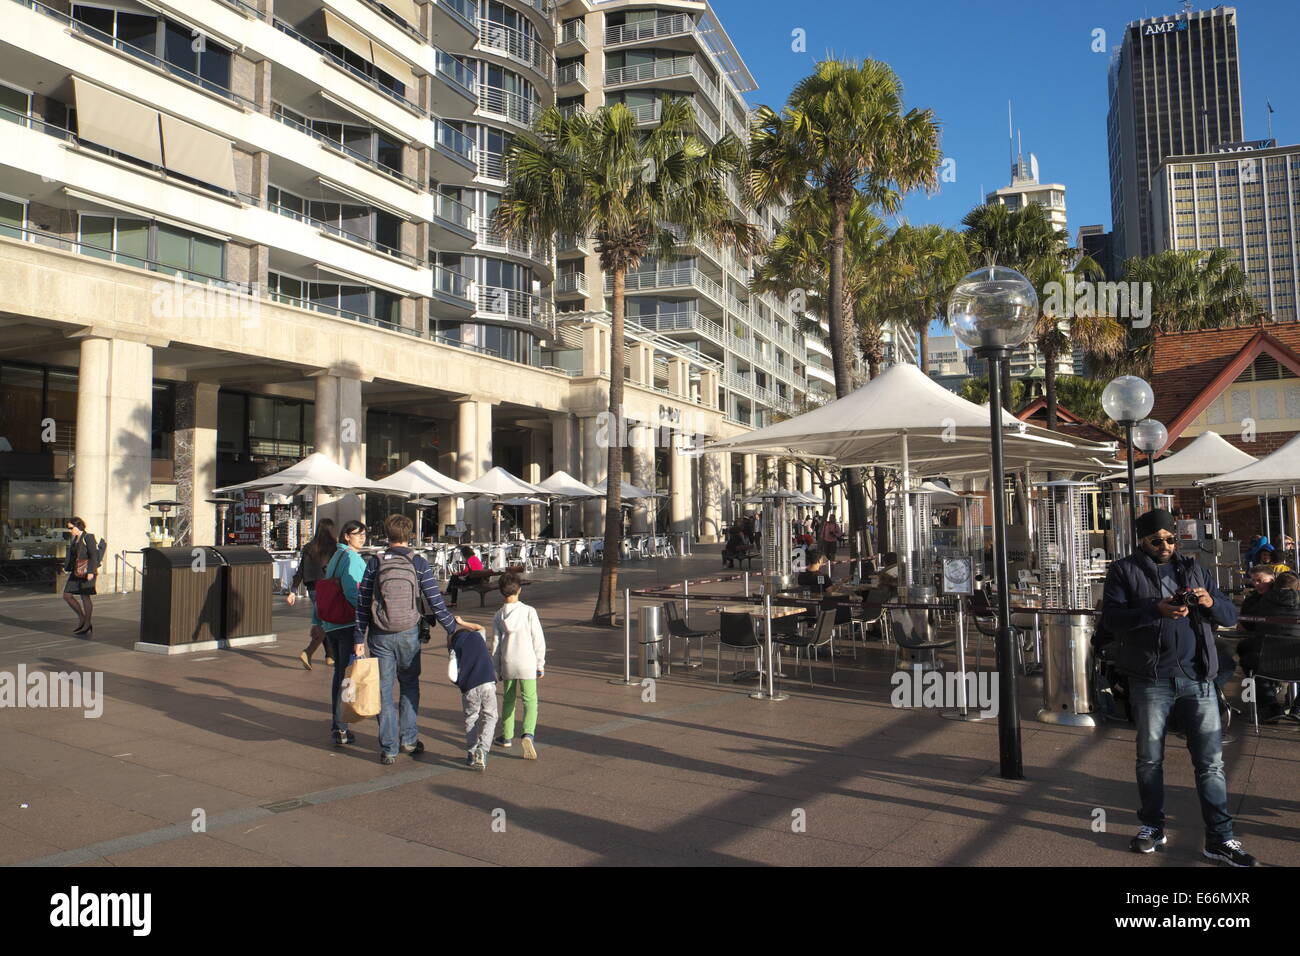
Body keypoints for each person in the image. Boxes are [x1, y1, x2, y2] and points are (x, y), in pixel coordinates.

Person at [1101, 509, 1256, 866]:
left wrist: (1210, 602)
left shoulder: (1195, 569)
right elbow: (1111, 619)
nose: (1166, 546)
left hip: (1197, 677)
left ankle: (1220, 839)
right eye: (1157, 540)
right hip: (1150, 679)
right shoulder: (1125, 570)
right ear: (1142, 540)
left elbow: (1231, 616)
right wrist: (1154, 610)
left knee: (1211, 764)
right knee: (1149, 761)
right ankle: (1152, 827)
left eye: (1171, 539)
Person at [354, 514, 483, 765]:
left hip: (380, 633)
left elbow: (362, 602)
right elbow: (435, 601)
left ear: (386, 535)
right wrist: (451, 628)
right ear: (409, 535)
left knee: (383, 689)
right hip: (408, 633)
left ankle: (389, 748)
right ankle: (409, 739)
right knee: (410, 685)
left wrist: (359, 636)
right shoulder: (418, 562)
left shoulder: (375, 562)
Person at [317, 520, 367, 747]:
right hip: (346, 622)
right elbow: (352, 589)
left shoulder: (335, 555)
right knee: (347, 676)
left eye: (364, 534)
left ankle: (337, 724)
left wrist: (317, 620)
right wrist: (363, 613)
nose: (362, 538)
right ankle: (341, 727)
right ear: (346, 536)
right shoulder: (352, 558)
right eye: (357, 534)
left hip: (331, 623)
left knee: (339, 674)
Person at [491, 572, 546, 760]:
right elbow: (538, 638)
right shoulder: (529, 611)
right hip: (527, 662)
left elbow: (496, 646)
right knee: (530, 700)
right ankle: (528, 734)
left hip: (508, 662)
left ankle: (506, 736)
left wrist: (496, 668)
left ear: (501, 592)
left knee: (508, 700)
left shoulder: (498, 615)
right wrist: (540, 663)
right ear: (520, 590)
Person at [1237, 570, 1300, 722]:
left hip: (1266, 662)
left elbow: (1246, 624)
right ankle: (1298, 708)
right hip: (1297, 662)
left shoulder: (1262, 601)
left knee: (1248, 659)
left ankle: (1270, 705)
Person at [287, 518, 337, 669]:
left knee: (323, 621)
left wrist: (293, 590)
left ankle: (330, 655)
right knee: (326, 623)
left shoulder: (309, 547)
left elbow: (301, 570)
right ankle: (308, 652)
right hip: (328, 588)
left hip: (313, 589)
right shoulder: (333, 548)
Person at [449, 625, 497, 771]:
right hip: (487, 683)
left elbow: (451, 674)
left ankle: (471, 754)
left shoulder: (455, 647)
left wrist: (459, 682)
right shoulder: (478, 636)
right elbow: (480, 627)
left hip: (469, 688)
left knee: (471, 719)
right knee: (490, 716)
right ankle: (483, 749)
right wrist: (463, 622)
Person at [62, 517, 99, 635]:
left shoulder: (88, 537)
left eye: (71, 528)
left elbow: (94, 555)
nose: (70, 530)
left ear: (78, 526)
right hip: (76, 571)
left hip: (86, 571)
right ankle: (82, 618)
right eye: (68, 528)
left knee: (85, 597)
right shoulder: (75, 539)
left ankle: (87, 623)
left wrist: (91, 572)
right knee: (67, 595)